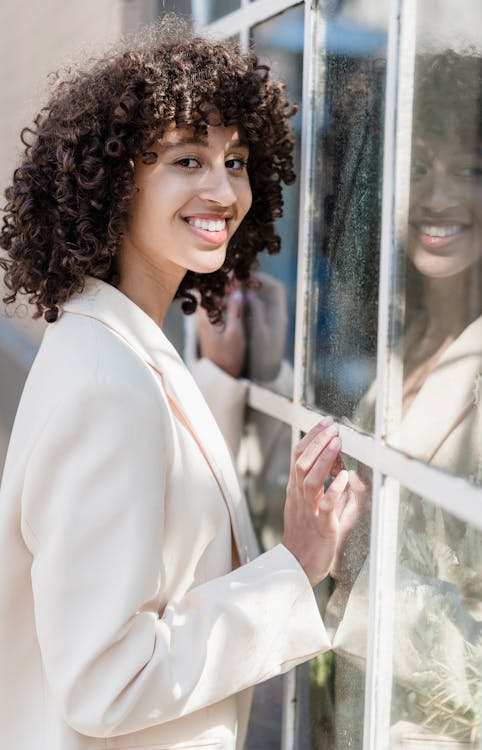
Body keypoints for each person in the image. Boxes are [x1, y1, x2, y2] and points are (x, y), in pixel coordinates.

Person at [0, 18, 361, 750]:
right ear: (111, 182)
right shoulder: (109, 384)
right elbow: (107, 683)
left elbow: (161, 511)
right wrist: (293, 571)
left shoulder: (117, 347)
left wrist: (222, 379)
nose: (224, 189)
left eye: (237, 160)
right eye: (188, 160)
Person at [194, 49, 482, 748]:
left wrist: (355, 570)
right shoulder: (409, 341)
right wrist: (256, 377)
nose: (437, 195)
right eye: (416, 167)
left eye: (474, 171)